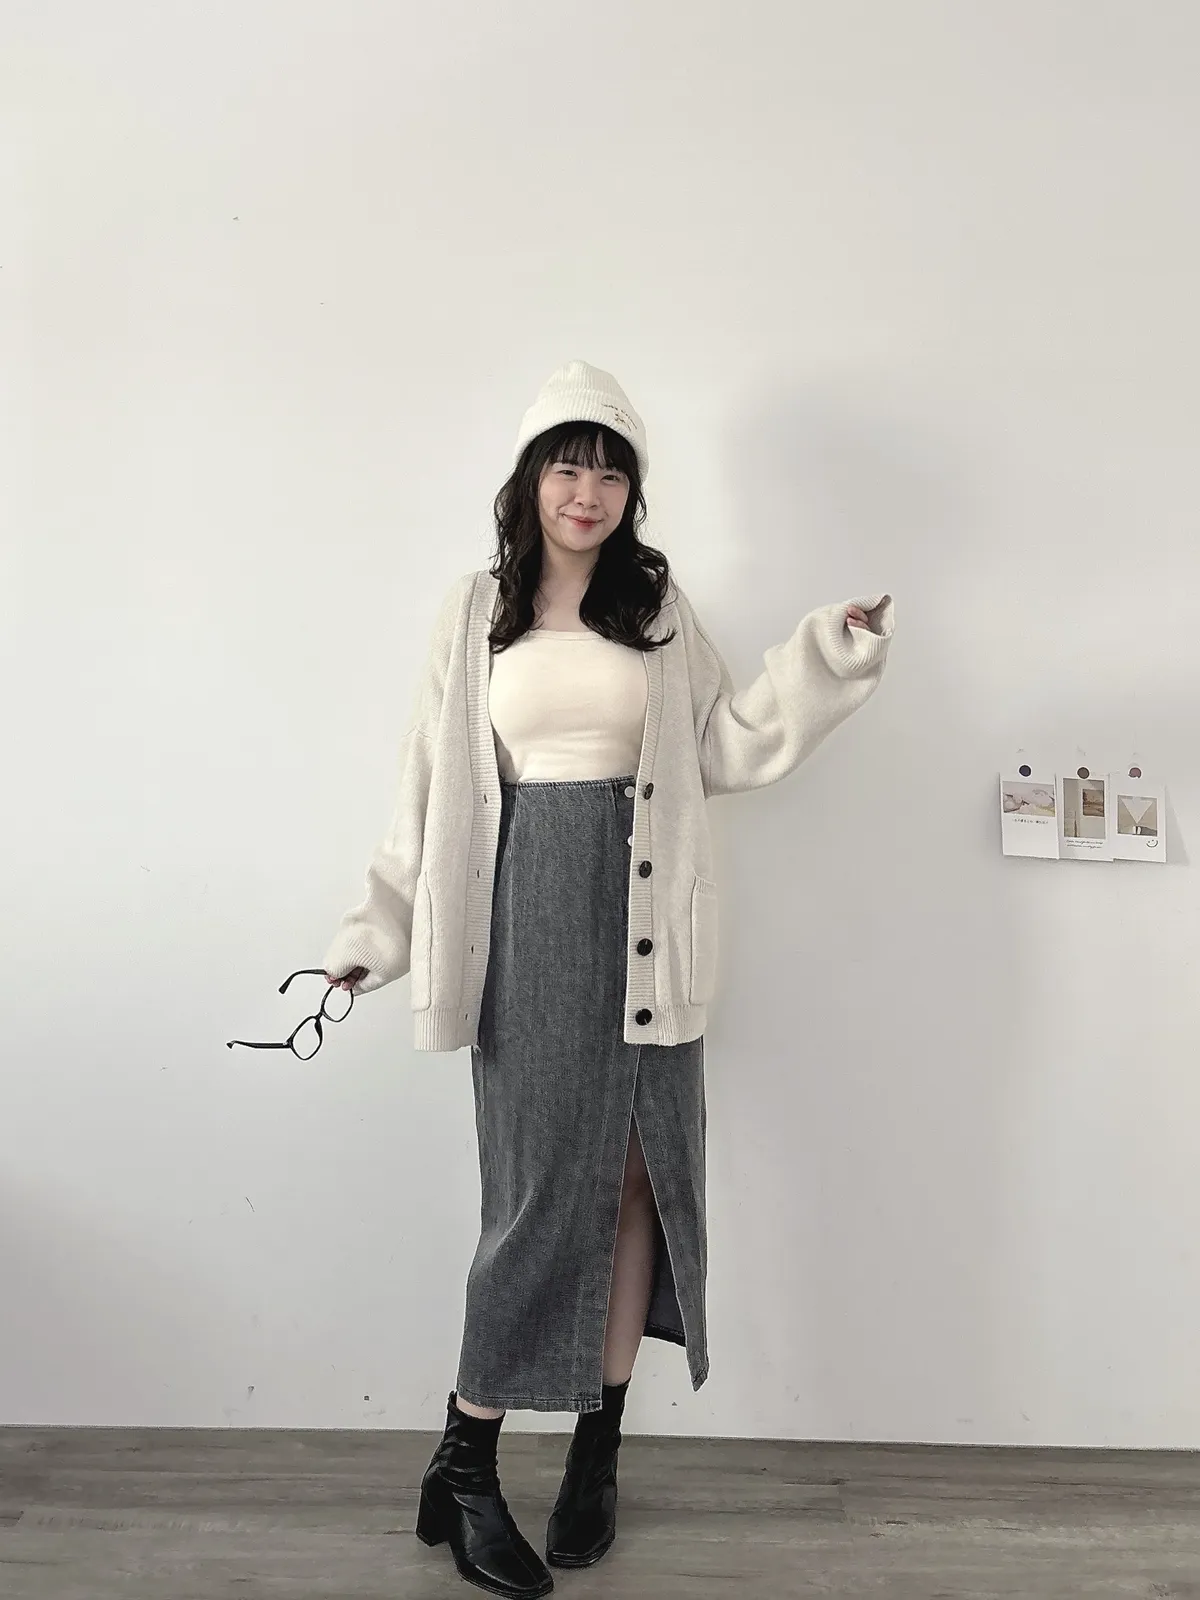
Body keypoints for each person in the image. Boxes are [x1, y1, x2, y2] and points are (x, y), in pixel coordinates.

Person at [322, 361, 894, 1598]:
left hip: (651, 921)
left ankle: (597, 1450)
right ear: (530, 480)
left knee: (640, 1177)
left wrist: (826, 656)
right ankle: (467, 1463)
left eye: (610, 470)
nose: (587, 491)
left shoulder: (656, 604)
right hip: (527, 913)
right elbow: (427, 784)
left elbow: (726, 744)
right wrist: (379, 926)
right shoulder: (475, 610)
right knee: (539, 1197)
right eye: (567, 466)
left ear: (632, 490)